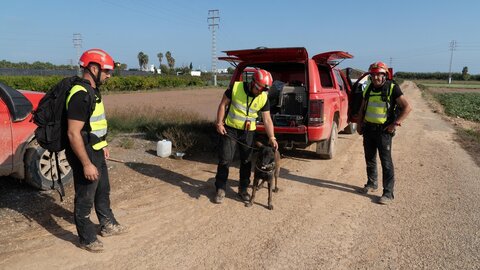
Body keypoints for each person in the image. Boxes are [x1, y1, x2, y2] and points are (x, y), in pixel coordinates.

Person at [66, 48, 127, 252]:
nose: (109, 75)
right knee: (85, 196)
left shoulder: (92, 91)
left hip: (96, 148)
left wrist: (103, 144)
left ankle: (107, 224)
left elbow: (94, 125)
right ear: (93, 68)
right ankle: (86, 238)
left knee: (102, 190)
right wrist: (86, 163)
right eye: (107, 71)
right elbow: (74, 134)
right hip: (85, 152)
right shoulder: (80, 95)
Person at [214, 68, 279, 204]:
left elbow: (267, 119)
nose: (259, 91)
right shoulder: (236, 87)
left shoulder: (263, 97)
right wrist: (219, 123)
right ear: (252, 82)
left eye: (263, 89)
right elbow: (223, 104)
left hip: (248, 132)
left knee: (246, 161)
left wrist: (272, 137)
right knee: (225, 159)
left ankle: (243, 189)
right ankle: (220, 188)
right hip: (230, 129)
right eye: (258, 88)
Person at [356, 61, 412, 205]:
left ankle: (388, 193)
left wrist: (395, 124)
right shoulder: (368, 87)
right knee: (370, 158)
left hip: (384, 132)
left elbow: (407, 107)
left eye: (379, 75)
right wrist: (359, 123)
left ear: (385, 75)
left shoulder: (393, 88)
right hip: (368, 129)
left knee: (386, 162)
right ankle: (371, 183)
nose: (376, 78)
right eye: (373, 75)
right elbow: (362, 107)